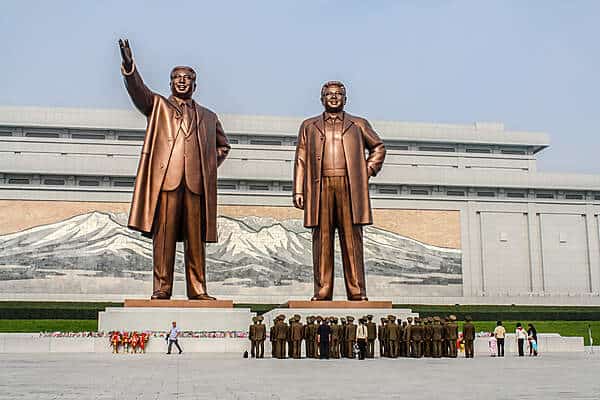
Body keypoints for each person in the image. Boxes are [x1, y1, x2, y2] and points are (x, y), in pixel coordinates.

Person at [118, 39, 230, 300]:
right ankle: (162, 288)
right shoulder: (158, 106)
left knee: (196, 241)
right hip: (167, 181)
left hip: (195, 185)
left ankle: (198, 289)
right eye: (176, 78)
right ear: (170, 83)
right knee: (164, 238)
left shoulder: (209, 116)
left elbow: (223, 146)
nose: (181, 81)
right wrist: (129, 67)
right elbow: (139, 92)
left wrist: (207, 166)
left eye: (187, 78)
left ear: (194, 84)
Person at [293, 81, 386, 301]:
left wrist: (367, 170)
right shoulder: (309, 125)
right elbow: (301, 158)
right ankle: (323, 290)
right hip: (320, 186)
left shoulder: (358, 124)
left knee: (352, 240)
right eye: (329, 94)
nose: (333, 97)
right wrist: (298, 190)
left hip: (349, 186)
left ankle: (356, 290)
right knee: (322, 239)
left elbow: (378, 147)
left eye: (338, 94)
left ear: (345, 98)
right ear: (321, 98)